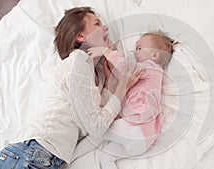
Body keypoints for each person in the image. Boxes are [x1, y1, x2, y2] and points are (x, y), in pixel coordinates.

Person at [0, 7, 142, 169]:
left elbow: (96, 122)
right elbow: (96, 127)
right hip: (31, 152)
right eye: (97, 23)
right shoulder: (77, 62)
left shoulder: (95, 76)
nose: (105, 27)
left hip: (45, 157)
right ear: (81, 36)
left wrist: (111, 84)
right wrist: (122, 85)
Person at [75, 32, 176, 169]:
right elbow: (124, 78)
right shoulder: (147, 74)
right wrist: (110, 70)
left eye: (139, 48)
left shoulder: (151, 68)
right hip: (144, 140)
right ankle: (72, 161)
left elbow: (125, 68)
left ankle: (70, 159)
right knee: (106, 157)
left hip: (136, 130)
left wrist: (107, 51)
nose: (135, 51)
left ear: (155, 55)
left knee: (99, 132)